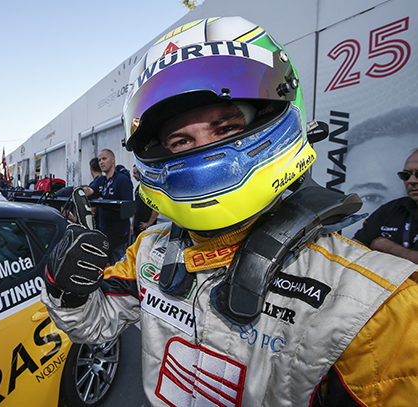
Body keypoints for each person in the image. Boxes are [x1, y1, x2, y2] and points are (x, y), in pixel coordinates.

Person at [41, 17, 418, 407]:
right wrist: (65, 290)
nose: (203, 150)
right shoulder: (149, 251)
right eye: (181, 140)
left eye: (224, 129)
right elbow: (95, 325)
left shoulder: (374, 303)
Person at [343, 106, 418, 238]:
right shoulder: (390, 210)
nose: (411, 181)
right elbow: (357, 245)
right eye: (372, 197)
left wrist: (384, 245)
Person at [353, 149, 418, 264]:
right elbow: (355, 248)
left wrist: (387, 247)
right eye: (405, 175)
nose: (411, 180)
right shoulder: (392, 209)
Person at [84, 149, 133, 263]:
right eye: (99, 160)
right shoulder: (101, 180)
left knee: (118, 266)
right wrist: (81, 190)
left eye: (104, 159)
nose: (101, 162)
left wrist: (106, 203)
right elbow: (90, 190)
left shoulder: (122, 180)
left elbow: (128, 208)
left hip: (119, 233)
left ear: (113, 160)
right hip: (104, 231)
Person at [131, 164, 157, 239]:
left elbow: (156, 207)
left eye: (135, 173)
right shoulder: (138, 188)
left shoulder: (150, 189)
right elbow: (135, 208)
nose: (133, 175)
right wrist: (132, 225)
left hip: (147, 230)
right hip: (138, 228)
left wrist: (149, 223)